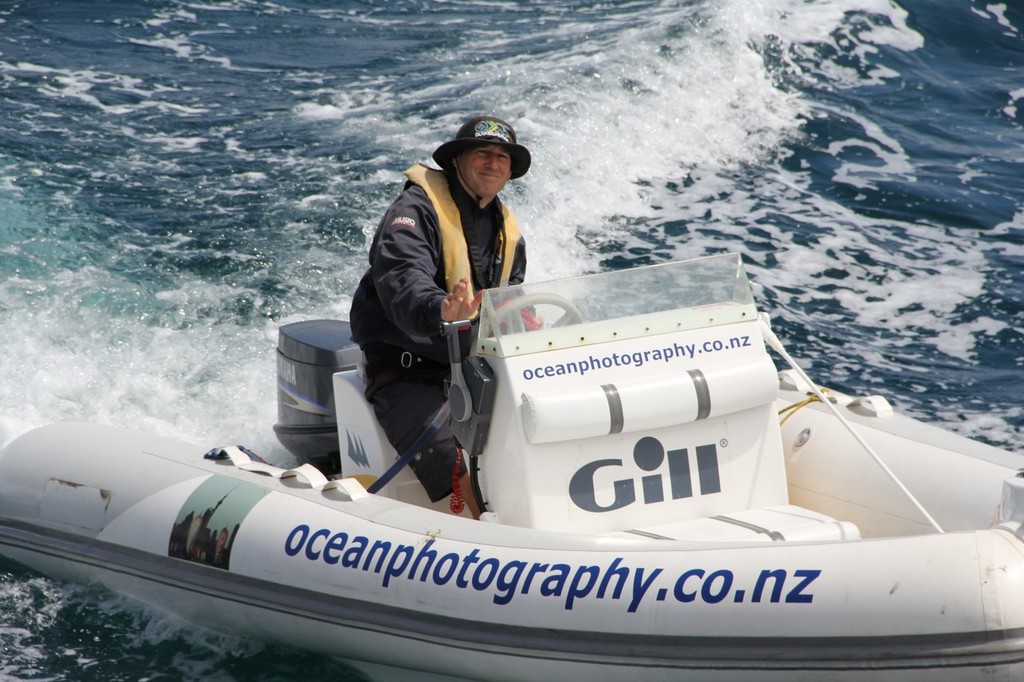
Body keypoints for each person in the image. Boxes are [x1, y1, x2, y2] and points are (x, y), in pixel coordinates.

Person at [349, 115, 531, 518]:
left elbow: (511, 300)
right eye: (482, 152)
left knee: (540, 424)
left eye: (503, 157)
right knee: (458, 460)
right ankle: (495, 539)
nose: (493, 162)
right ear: (456, 161)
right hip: (407, 373)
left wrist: (528, 323)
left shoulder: (506, 231)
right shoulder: (414, 211)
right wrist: (440, 309)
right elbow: (401, 275)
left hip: (474, 372)